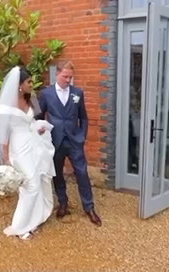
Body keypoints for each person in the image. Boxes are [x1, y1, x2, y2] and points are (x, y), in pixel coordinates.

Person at [0, 66, 56, 240]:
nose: (32, 84)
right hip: (18, 148)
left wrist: (38, 128)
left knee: (39, 181)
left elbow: (32, 119)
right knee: (30, 185)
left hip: (34, 143)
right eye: (29, 82)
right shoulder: (6, 105)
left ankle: (35, 219)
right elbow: (2, 133)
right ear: (19, 85)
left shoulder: (30, 99)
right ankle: (19, 226)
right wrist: (6, 157)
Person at [37, 60, 102, 226]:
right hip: (55, 141)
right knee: (57, 173)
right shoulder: (46, 94)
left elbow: (84, 118)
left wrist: (82, 136)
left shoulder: (77, 93)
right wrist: (41, 132)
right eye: (65, 76)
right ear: (57, 74)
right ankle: (63, 203)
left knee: (82, 173)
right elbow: (39, 117)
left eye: (70, 77)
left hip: (74, 141)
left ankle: (89, 207)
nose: (68, 80)